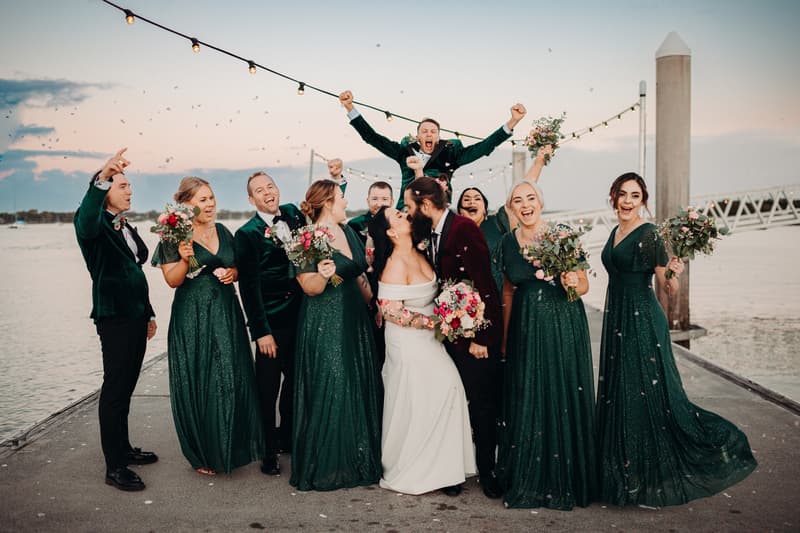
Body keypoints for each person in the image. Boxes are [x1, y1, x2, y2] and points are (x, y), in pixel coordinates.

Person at [597, 172, 757, 506]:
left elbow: (666, 287)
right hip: (618, 320)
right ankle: (625, 473)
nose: (627, 201)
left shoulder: (650, 233)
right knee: (622, 393)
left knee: (645, 393)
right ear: (614, 196)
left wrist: (675, 274)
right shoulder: (614, 231)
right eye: (623, 194)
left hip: (642, 319)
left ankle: (649, 476)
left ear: (643, 201)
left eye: (635, 196)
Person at [495, 180, 598, 510]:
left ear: (540, 202)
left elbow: (583, 285)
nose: (525, 205)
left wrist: (572, 281)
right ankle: (530, 476)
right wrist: (505, 339)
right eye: (517, 200)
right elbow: (508, 292)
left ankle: (567, 477)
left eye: (530, 198)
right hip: (526, 324)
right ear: (511, 208)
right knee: (530, 393)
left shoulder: (562, 234)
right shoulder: (508, 243)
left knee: (562, 391)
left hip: (562, 321)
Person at [153, 177, 264, 475]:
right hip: (193, 315)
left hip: (226, 312)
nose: (210, 204)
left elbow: (237, 266)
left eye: (212, 198)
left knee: (230, 375)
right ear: (187, 205)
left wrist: (233, 272)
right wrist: (184, 258)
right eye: (203, 200)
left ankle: (232, 444)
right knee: (201, 378)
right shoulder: (173, 234)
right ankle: (202, 452)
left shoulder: (225, 232)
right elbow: (172, 280)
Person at [403, 176, 503, 499]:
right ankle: (452, 470)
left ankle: (488, 472)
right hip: (446, 334)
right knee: (451, 404)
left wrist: (482, 339)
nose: (407, 211)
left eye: (409, 205)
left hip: (473, 336)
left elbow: (484, 284)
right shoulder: (428, 231)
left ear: (426, 205)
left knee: (482, 406)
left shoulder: (463, 229)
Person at [367, 206, 476, 496]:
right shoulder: (394, 264)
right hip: (407, 342)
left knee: (449, 390)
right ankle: (416, 467)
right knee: (418, 402)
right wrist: (435, 322)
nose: (405, 215)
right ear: (391, 232)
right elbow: (390, 311)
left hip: (431, 339)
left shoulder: (422, 250)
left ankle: (447, 468)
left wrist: (457, 309)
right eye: (399, 216)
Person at [74, 148, 158, 492]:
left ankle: (124, 448)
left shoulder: (123, 224)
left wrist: (149, 312)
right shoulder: (92, 225)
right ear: (105, 189)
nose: (129, 191)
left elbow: (134, 272)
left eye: (128, 185)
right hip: (115, 319)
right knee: (114, 390)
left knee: (126, 388)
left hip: (136, 316)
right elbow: (86, 218)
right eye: (122, 185)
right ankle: (115, 467)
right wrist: (102, 178)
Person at [290, 180, 382, 491]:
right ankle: (330, 462)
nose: (345, 201)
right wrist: (323, 275)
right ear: (328, 201)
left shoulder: (348, 232)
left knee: (355, 381)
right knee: (333, 383)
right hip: (325, 321)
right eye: (341, 196)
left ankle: (358, 456)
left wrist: (376, 306)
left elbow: (357, 277)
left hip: (355, 317)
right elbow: (309, 287)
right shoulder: (307, 237)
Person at [339, 89, 526, 208]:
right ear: (418, 136)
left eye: (433, 132)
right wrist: (350, 108)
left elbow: (483, 147)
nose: (429, 134)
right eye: (425, 131)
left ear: (438, 137)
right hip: (407, 209)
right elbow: (373, 138)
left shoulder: (451, 155)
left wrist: (512, 122)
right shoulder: (404, 152)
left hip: (439, 209)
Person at [233, 171, 306, 476]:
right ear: (252, 200)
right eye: (260, 191)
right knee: (268, 387)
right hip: (272, 323)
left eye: (270, 187)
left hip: (301, 315)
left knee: (295, 381)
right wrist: (261, 332)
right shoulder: (247, 234)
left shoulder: (293, 214)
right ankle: (267, 450)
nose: (267, 193)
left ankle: (286, 437)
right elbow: (248, 288)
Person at [456, 144, 553, 294]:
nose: (472, 202)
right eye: (466, 199)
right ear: (460, 211)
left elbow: (520, 192)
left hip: (502, 294)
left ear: (485, 210)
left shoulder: (497, 222)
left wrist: (539, 161)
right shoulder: (454, 233)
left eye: (477, 199)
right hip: (469, 300)